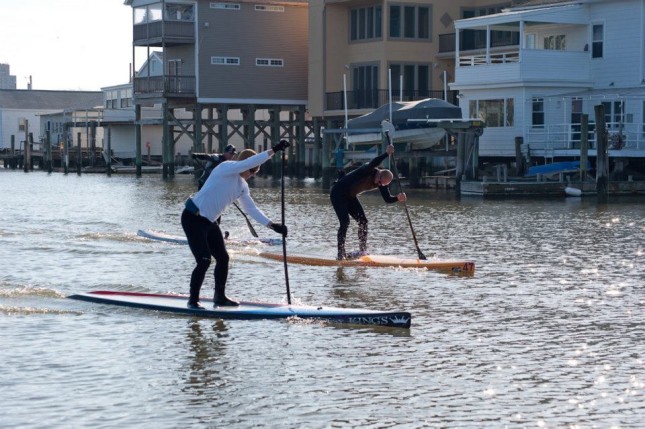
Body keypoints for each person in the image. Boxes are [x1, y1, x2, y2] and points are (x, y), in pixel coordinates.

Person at [181, 140, 290, 309]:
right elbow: (250, 161)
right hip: (192, 218)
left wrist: (272, 225)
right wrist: (274, 150)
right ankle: (193, 301)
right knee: (204, 260)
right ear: (245, 165)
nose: (253, 174)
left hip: (209, 222)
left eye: (256, 172)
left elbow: (251, 209)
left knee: (223, 258)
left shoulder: (242, 187)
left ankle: (219, 297)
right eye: (253, 170)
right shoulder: (227, 168)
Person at [330, 144, 406, 260]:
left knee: (363, 221)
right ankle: (340, 253)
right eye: (380, 183)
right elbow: (375, 162)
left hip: (350, 196)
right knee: (345, 223)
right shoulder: (368, 169)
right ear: (379, 174)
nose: (379, 185)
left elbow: (387, 199)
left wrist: (397, 198)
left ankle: (362, 251)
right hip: (338, 194)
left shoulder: (381, 182)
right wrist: (387, 153)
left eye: (383, 185)